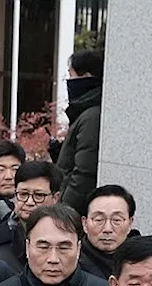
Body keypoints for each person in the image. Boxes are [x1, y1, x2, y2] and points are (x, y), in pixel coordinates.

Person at [0, 161, 64, 274]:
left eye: (39, 195)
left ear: (55, 198)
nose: (30, 202)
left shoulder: (69, 240)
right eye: (23, 194)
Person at [55, 50, 103, 214]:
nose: (68, 81)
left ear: (86, 77)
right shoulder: (86, 113)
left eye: (71, 75)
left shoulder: (91, 116)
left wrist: (62, 212)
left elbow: (83, 175)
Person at [78, 185, 140, 280]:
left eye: (117, 220)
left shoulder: (145, 261)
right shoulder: (72, 263)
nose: (107, 229)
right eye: (99, 220)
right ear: (85, 223)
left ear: (130, 224)